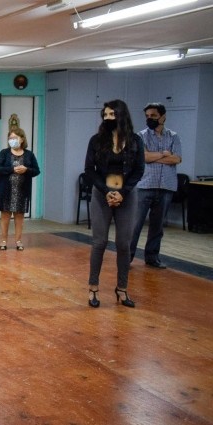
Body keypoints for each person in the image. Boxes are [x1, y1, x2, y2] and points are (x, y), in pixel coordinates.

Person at [84, 100, 145, 309]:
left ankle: (122, 288)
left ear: (121, 116)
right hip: (102, 194)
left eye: (112, 115)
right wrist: (107, 191)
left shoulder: (136, 141)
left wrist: (122, 193)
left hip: (126, 195)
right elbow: (89, 170)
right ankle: (93, 287)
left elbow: (139, 170)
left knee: (123, 244)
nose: (108, 118)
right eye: (105, 115)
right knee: (99, 242)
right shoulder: (96, 140)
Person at [129, 103, 182, 269]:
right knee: (135, 224)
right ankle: (127, 258)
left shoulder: (173, 136)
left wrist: (155, 157)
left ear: (163, 116)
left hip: (166, 186)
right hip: (145, 185)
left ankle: (152, 257)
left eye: (153, 116)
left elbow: (177, 159)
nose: (149, 119)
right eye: (147, 116)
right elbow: (143, 157)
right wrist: (164, 154)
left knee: (157, 226)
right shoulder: (141, 136)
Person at [0, 126, 41, 251]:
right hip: (5, 190)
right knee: (5, 216)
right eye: (10, 138)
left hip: (22, 191)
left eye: (14, 138)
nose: (11, 140)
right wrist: (12, 169)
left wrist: (26, 170)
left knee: (19, 217)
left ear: (22, 139)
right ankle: (3, 240)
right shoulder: (4, 153)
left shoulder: (29, 154)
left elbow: (36, 171)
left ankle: (18, 241)